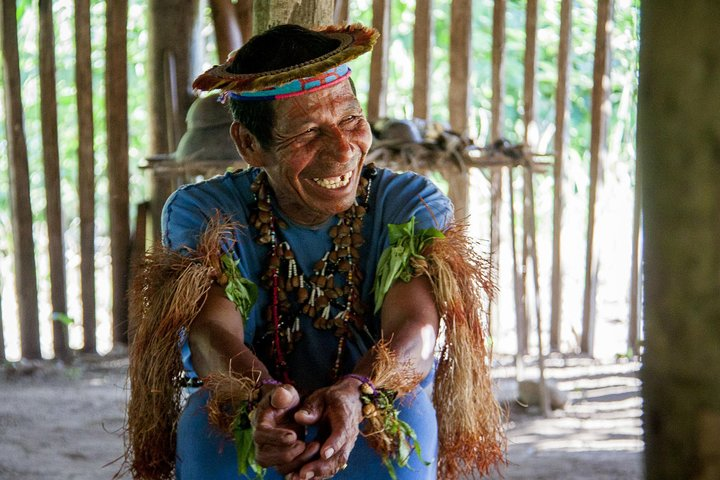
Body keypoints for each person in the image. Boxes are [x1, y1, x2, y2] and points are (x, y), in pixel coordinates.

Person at [124, 23, 504, 480]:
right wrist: (263, 399)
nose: (343, 150)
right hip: (246, 415)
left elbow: (417, 328)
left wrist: (355, 391)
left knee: (403, 427)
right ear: (249, 145)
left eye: (350, 120)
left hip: (375, 408)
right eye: (307, 133)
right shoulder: (204, 211)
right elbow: (210, 332)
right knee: (210, 432)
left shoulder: (410, 205)